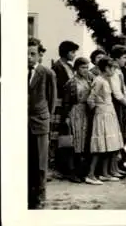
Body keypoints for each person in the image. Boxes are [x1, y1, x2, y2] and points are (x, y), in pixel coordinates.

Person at [85, 56, 125, 184]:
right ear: (106, 68)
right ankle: (90, 175)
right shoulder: (99, 81)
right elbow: (90, 99)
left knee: (110, 144)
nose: (114, 70)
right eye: (112, 67)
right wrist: (98, 111)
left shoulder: (106, 80)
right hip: (102, 115)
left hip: (109, 113)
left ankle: (105, 173)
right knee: (100, 146)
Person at [28, 38, 57, 209]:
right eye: (26, 54)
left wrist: (46, 119)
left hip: (40, 122)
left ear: (39, 55)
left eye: (32, 54)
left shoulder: (47, 73)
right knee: (26, 160)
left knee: (40, 162)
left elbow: (51, 100)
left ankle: (39, 196)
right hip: (22, 123)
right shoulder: (16, 71)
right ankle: (26, 194)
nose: (29, 57)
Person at [51, 40, 79, 177]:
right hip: (61, 104)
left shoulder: (69, 66)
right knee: (61, 136)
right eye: (73, 52)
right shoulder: (58, 67)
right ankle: (61, 167)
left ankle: (67, 166)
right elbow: (62, 88)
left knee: (68, 136)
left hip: (69, 104)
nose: (74, 55)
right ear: (66, 52)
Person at [62, 57, 92, 183]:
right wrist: (67, 117)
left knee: (84, 142)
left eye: (86, 67)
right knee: (74, 142)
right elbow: (66, 101)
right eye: (82, 67)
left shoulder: (88, 80)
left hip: (86, 112)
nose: (85, 70)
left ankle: (82, 171)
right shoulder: (71, 83)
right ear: (76, 68)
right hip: (75, 112)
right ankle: (72, 171)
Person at [109, 45, 126, 143]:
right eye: (124, 58)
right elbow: (117, 93)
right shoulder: (114, 71)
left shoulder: (118, 70)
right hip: (117, 105)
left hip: (120, 105)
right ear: (116, 58)